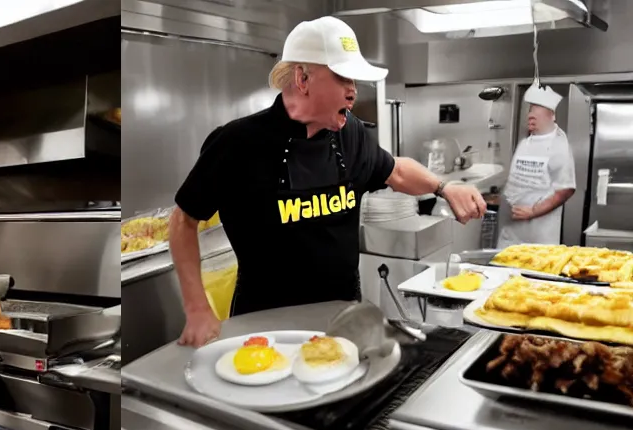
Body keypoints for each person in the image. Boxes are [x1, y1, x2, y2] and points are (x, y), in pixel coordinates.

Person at [170, 16, 490, 344]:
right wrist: (197, 309)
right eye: (342, 77)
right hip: (265, 326)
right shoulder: (237, 143)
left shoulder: (351, 134)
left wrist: (444, 187)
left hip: (341, 322)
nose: (353, 91)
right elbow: (183, 219)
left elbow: (395, 171)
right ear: (303, 78)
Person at [498, 84, 576, 247]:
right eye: (530, 110)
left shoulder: (559, 145)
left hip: (538, 237)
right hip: (510, 233)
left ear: (552, 115)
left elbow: (565, 189)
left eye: (536, 109)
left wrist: (533, 211)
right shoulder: (525, 143)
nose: (530, 115)